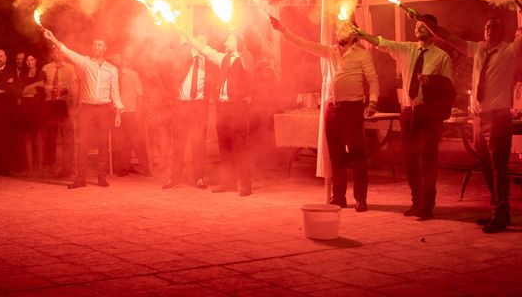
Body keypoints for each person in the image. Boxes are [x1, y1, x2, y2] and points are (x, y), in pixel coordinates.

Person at [416, 13, 522, 233]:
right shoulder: (478, 49)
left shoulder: (510, 51)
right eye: (487, 27)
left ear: (502, 32)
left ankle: (500, 214)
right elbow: (449, 37)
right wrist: (427, 23)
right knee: (485, 165)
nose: (489, 30)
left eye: (494, 27)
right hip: (479, 118)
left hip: (498, 117)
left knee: (498, 167)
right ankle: (499, 209)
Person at [270, 17, 379, 211]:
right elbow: (306, 45)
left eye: (343, 29)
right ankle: (339, 197)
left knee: (357, 154)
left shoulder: (362, 54)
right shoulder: (330, 51)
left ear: (353, 34)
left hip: (352, 108)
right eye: (337, 30)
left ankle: (361, 199)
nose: (338, 33)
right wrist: (284, 30)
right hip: (332, 109)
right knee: (336, 155)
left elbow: (373, 79)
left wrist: (373, 102)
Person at [356, 14, 453, 220]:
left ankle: (428, 204)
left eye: (423, 26)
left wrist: (431, 81)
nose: (418, 28)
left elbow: (448, 89)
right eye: (417, 25)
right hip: (408, 112)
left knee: (427, 160)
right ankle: (416, 201)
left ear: (433, 29)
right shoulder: (407, 49)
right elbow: (382, 42)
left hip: (428, 114)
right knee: (408, 160)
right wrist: (362, 34)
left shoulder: (442, 56)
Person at [42, 29, 122, 189]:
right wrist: (54, 39)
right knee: (83, 143)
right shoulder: (85, 62)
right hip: (87, 109)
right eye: (94, 45)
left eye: (100, 45)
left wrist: (118, 112)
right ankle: (81, 179)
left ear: (105, 48)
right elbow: (69, 53)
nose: (96, 47)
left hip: (104, 110)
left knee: (103, 144)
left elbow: (115, 92)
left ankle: (101, 177)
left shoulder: (111, 69)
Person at [179, 27, 254, 196]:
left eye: (229, 39)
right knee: (224, 146)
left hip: (238, 108)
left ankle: (245, 185)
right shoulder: (222, 59)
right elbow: (205, 50)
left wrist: (240, 38)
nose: (225, 42)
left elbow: (247, 62)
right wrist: (184, 32)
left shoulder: (245, 58)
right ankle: (229, 182)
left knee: (240, 146)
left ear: (237, 42)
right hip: (223, 108)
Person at [162, 35, 213, 190]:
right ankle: (174, 177)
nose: (201, 44)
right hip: (181, 106)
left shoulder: (208, 63)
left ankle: (199, 177)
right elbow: (169, 78)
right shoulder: (182, 58)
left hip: (199, 107)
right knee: (178, 143)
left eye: (204, 42)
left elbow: (213, 84)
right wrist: (171, 100)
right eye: (199, 41)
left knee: (198, 143)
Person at [109, 53, 151, 177]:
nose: (115, 61)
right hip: (118, 113)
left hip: (131, 111)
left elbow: (140, 94)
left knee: (137, 141)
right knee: (121, 141)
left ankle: (146, 168)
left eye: (117, 59)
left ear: (123, 61)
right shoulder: (113, 75)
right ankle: (124, 168)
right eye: (114, 59)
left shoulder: (133, 75)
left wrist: (138, 112)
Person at [41, 47, 77, 179]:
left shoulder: (71, 68)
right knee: (51, 137)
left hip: (64, 104)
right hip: (50, 104)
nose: (57, 54)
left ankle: (68, 167)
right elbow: (42, 84)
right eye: (55, 52)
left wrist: (64, 90)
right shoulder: (46, 68)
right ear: (52, 54)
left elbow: (74, 87)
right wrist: (49, 89)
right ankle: (52, 165)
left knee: (68, 137)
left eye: (59, 52)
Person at [15, 54, 46, 176]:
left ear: (36, 60)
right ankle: (30, 167)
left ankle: (40, 167)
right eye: (27, 60)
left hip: (37, 107)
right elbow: (20, 91)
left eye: (32, 59)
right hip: (25, 107)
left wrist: (27, 89)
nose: (29, 62)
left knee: (38, 137)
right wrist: (34, 85)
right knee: (27, 137)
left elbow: (41, 90)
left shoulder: (41, 72)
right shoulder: (22, 74)